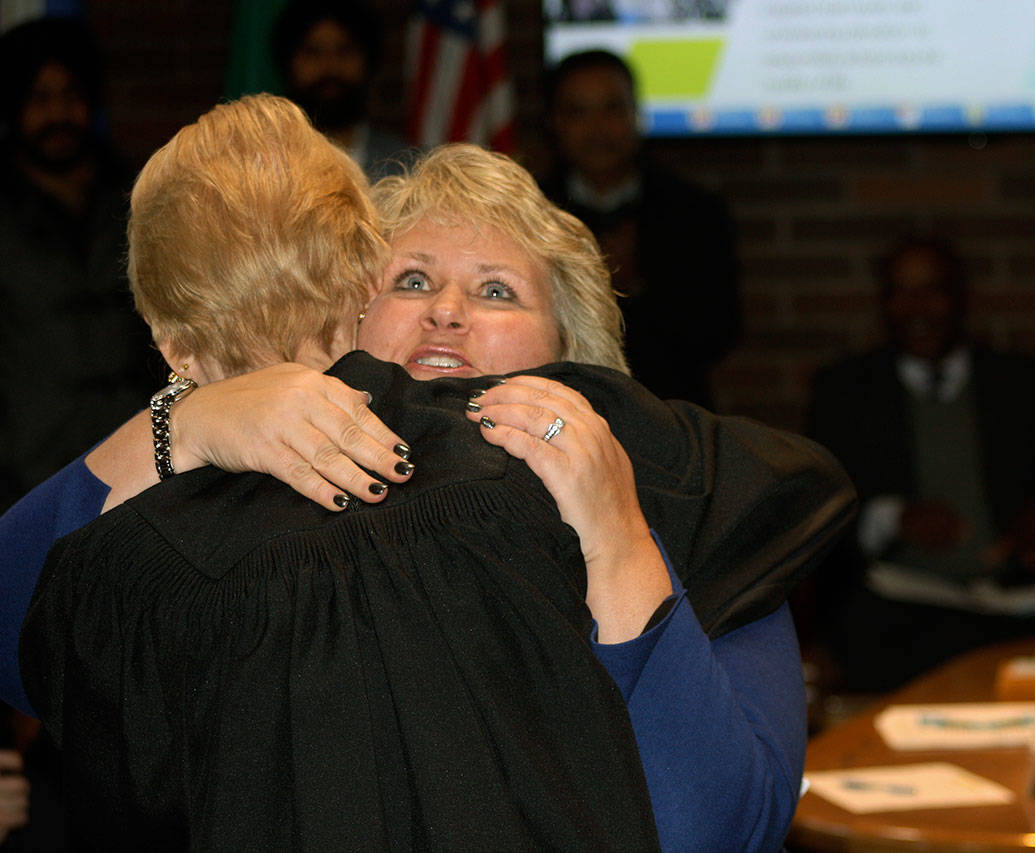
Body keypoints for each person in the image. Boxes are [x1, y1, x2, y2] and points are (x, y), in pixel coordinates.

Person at [12, 98, 853, 850]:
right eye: (411, 280)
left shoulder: (694, 499)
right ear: (344, 315)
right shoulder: (231, 513)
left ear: (576, 359)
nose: (447, 310)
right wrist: (185, 421)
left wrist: (620, 539)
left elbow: (718, 832)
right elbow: (17, 632)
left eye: (497, 292)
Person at [808, 235, 1035, 690]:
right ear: (883, 303)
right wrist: (892, 520)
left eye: (933, 291)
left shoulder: (1022, 383)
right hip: (900, 618)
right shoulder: (845, 391)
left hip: (1017, 606)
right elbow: (811, 512)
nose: (917, 309)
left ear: (961, 299)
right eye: (901, 293)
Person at [0, 16, 154, 512]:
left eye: (69, 97)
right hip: (25, 479)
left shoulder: (140, 199)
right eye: (39, 100)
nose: (57, 115)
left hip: (138, 467)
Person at [541, 49, 739, 407]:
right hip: (553, 409)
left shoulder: (695, 212)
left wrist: (635, 288)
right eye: (579, 112)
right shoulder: (530, 212)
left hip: (673, 412)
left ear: (637, 115)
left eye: (612, 108)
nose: (597, 128)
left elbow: (720, 333)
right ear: (554, 122)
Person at [271, 0, 411, 181]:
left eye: (344, 51)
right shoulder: (265, 165)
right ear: (288, 63)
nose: (330, 67)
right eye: (313, 52)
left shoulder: (406, 168)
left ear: (367, 62)